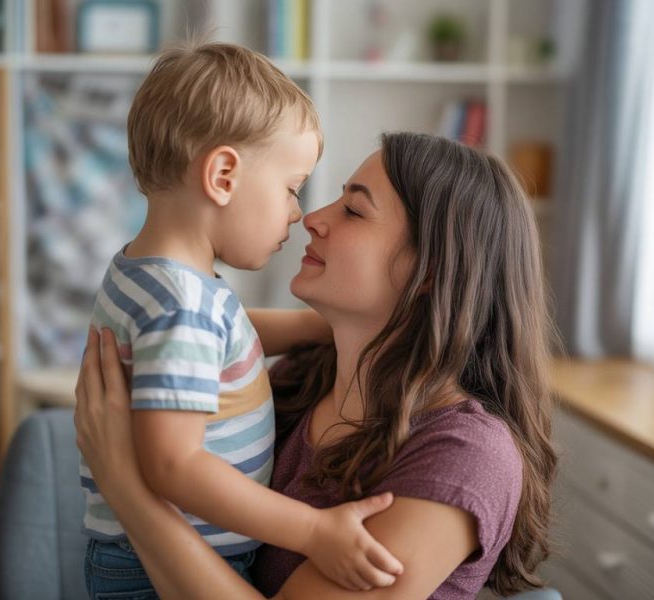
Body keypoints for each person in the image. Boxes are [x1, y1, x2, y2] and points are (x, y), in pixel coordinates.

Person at [76, 131, 558, 599]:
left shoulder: (468, 456)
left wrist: (126, 487)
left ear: (430, 270)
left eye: (354, 210)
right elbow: (195, 329)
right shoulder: (302, 377)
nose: (312, 218)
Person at [80, 41, 405, 599]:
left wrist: (317, 327)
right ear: (223, 175)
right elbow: (173, 464)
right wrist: (313, 530)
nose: (298, 213)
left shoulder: (158, 276)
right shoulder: (181, 304)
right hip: (158, 567)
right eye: (291, 188)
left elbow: (231, 335)